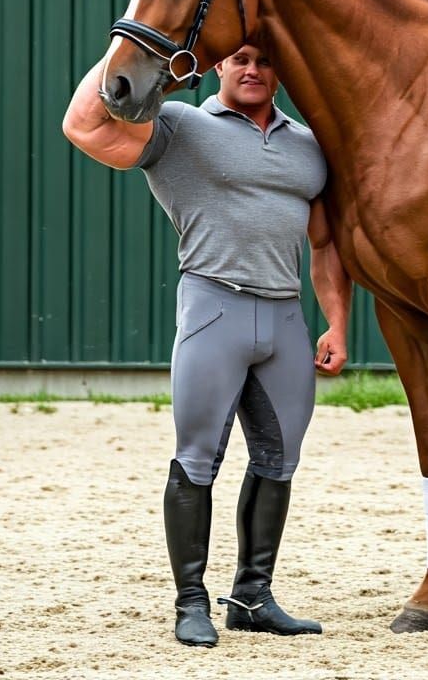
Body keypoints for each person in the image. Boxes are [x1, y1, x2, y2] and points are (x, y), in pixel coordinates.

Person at [62, 44, 352, 647]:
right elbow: (83, 126)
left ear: (281, 71)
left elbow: (324, 242)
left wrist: (337, 321)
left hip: (284, 320)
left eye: (266, 61)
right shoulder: (180, 124)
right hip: (213, 307)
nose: (252, 69)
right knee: (197, 460)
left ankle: (252, 596)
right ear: (218, 65)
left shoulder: (308, 144)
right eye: (240, 58)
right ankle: (190, 604)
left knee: (280, 462)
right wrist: (130, 45)